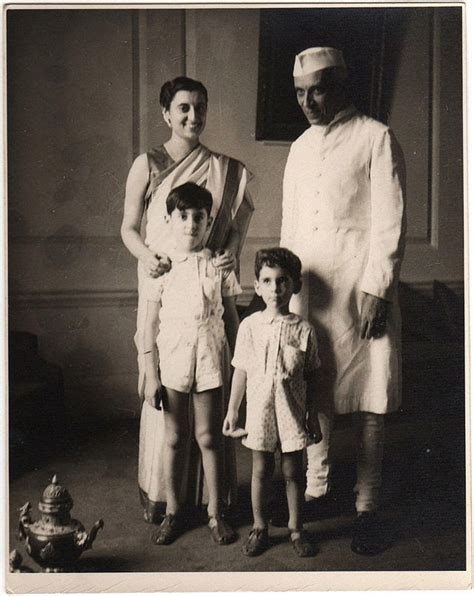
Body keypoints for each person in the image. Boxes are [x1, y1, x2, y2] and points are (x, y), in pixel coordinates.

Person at [281, 47, 406, 555]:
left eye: (318, 89)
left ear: (340, 86)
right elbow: (290, 227)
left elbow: (389, 221)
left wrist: (377, 287)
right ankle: (317, 488)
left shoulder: (376, 137)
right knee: (316, 392)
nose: (308, 101)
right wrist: (287, 298)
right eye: (299, 92)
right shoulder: (299, 147)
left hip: (360, 288)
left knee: (370, 397)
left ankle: (367, 506)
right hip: (311, 291)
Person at [121, 76, 254, 524]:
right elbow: (128, 228)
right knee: (171, 419)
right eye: (183, 108)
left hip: (207, 280)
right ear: (166, 113)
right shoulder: (148, 163)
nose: (193, 117)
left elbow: (239, 218)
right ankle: (169, 503)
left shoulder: (223, 168)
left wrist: (231, 254)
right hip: (162, 276)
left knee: (210, 425)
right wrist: (148, 257)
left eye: (200, 107)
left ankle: (214, 509)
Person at [142, 182, 241, 545]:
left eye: (198, 217)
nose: (190, 224)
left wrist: (238, 366)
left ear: (208, 219)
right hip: (173, 360)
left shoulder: (219, 266)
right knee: (174, 437)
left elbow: (231, 320)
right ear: (170, 219)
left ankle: (216, 513)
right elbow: (149, 326)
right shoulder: (161, 267)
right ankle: (172, 511)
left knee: (209, 437)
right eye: (182, 216)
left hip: (211, 359)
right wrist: (150, 374)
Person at [223, 247, 322, 557]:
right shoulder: (250, 326)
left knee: (294, 472)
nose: (275, 288)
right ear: (258, 285)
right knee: (261, 471)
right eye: (267, 281)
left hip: (292, 412)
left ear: (295, 285)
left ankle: (296, 529)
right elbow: (240, 369)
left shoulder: (304, 329)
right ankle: (260, 526)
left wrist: (313, 417)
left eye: (282, 281)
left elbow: (312, 377)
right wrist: (232, 410)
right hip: (260, 412)